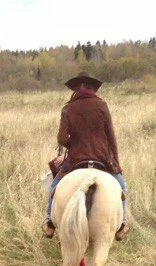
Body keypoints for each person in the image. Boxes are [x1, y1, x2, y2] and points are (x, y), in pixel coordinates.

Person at [43, 71, 129, 241]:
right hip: (102, 157)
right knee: (122, 186)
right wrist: (116, 163)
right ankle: (122, 224)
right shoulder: (102, 106)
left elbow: (61, 139)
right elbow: (111, 138)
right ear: (92, 89)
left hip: (76, 158)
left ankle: (49, 223)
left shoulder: (68, 108)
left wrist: (73, 145)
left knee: (55, 186)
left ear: (76, 89)